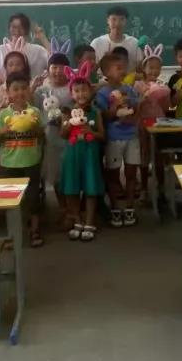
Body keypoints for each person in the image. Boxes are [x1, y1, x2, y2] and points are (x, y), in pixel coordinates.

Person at [0, 72, 45, 247]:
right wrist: (3, 131)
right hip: (9, 163)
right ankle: (12, 234)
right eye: (15, 89)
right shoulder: (3, 114)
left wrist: (35, 127)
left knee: (33, 199)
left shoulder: (35, 112)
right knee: (11, 200)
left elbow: (42, 135)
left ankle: (35, 230)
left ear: (29, 91)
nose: (20, 92)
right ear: (8, 92)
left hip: (31, 161)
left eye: (24, 88)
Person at [95, 53, 141, 227]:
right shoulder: (102, 93)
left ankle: (130, 207)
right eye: (118, 68)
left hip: (132, 136)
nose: (123, 71)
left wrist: (133, 108)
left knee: (131, 173)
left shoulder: (129, 89)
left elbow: (136, 110)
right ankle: (115, 207)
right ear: (107, 72)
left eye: (124, 67)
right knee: (113, 175)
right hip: (113, 138)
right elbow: (105, 117)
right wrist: (114, 106)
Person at [59, 74, 105, 242]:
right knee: (71, 188)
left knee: (90, 188)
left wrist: (91, 132)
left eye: (84, 90)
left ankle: (89, 222)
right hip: (72, 155)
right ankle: (77, 220)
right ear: (71, 94)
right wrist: (69, 124)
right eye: (76, 91)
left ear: (90, 92)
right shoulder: (67, 112)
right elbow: (63, 134)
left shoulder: (96, 112)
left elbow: (102, 136)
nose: (81, 94)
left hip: (90, 155)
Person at [34, 53, 74, 217]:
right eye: (54, 67)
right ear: (48, 69)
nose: (57, 71)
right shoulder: (42, 91)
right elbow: (33, 108)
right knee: (56, 175)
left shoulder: (72, 88)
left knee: (70, 175)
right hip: (50, 140)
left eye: (62, 68)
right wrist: (32, 87)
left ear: (68, 70)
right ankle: (63, 209)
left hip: (70, 138)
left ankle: (73, 210)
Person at [134, 46, 171, 205]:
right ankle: (144, 189)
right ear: (144, 68)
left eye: (157, 68)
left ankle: (161, 188)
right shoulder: (138, 85)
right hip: (142, 124)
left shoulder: (162, 85)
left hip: (158, 124)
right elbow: (134, 107)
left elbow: (166, 107)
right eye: (151, 67)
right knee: (144, 157)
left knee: (159, 156)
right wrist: (143, 97)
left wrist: (164, 96)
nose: (154, 71)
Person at [0, 13, 49, 84]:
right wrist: (10, 83)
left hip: (33, 89)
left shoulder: (38, 50)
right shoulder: (0, 50)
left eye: (21, 27)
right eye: (14, 27)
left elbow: (55, 63)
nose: (17, 31)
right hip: (7, 89)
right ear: (9, 28)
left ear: (26, 30)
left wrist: (43, 38)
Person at [90, 6, 144, 72]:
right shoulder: (97, 43)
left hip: (128, 78)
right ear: (108, 20)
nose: (117, 23)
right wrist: (105, 59)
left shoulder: (134, 42)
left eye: (122, 19)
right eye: (114, 19)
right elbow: (90, 70)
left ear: (125, 21)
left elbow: (140, 69)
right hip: (102, 78)